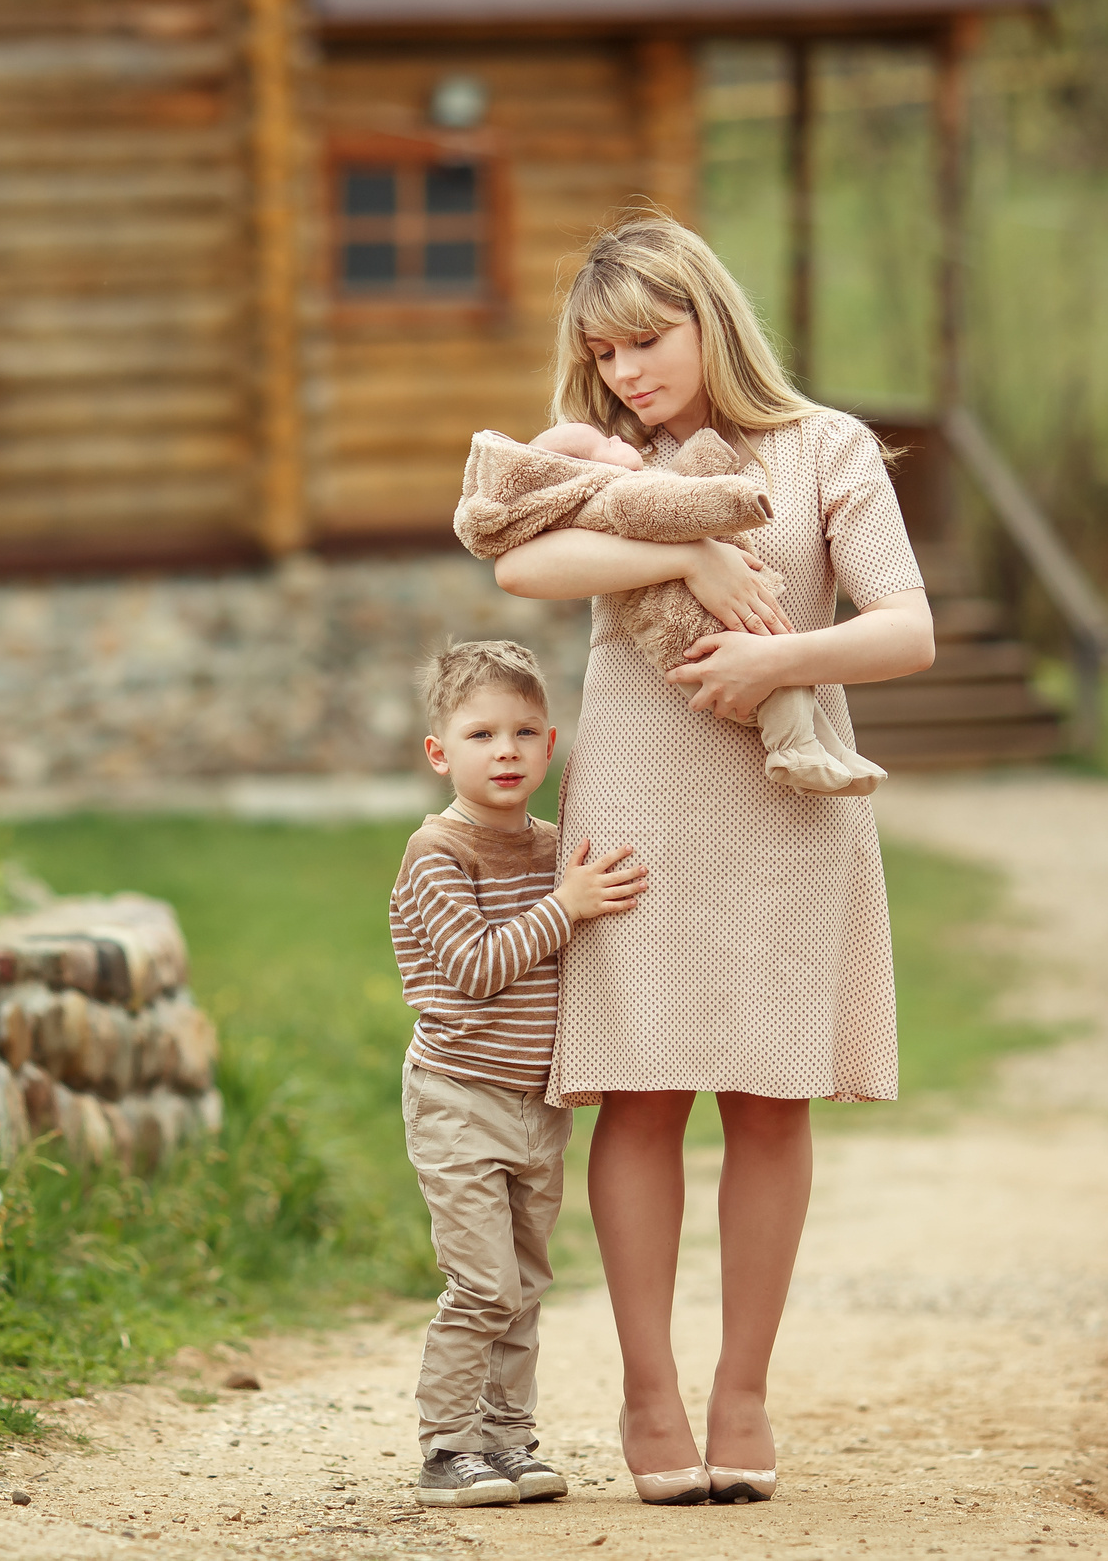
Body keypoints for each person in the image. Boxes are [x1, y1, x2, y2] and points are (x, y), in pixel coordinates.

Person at [492, 215, 937, 1506]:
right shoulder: (598, 459)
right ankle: (648, 1388)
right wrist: (685, 545)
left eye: (649, 340)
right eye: (604, 350)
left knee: (767, 1095)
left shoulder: (825, 449)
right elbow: (524, 557)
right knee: (638, 1091)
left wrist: (781, 657)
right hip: (639, 810)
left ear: (710, 319)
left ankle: (743, 1387)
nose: (628, 371)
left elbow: (906, 627)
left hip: (784, 809)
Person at [390, 639, 646, 1508]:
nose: (505, 750)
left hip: (538, 1104)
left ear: (550, 746)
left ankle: (505, 1437)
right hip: (457, 1096)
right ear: (440, 752)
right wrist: (564, 907)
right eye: (481, 733)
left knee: (527, 1283)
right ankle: (446, 1447)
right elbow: (473, 966)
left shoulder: (551, 849)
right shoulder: (437, 853)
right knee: (483, 1282)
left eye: (524, 732)